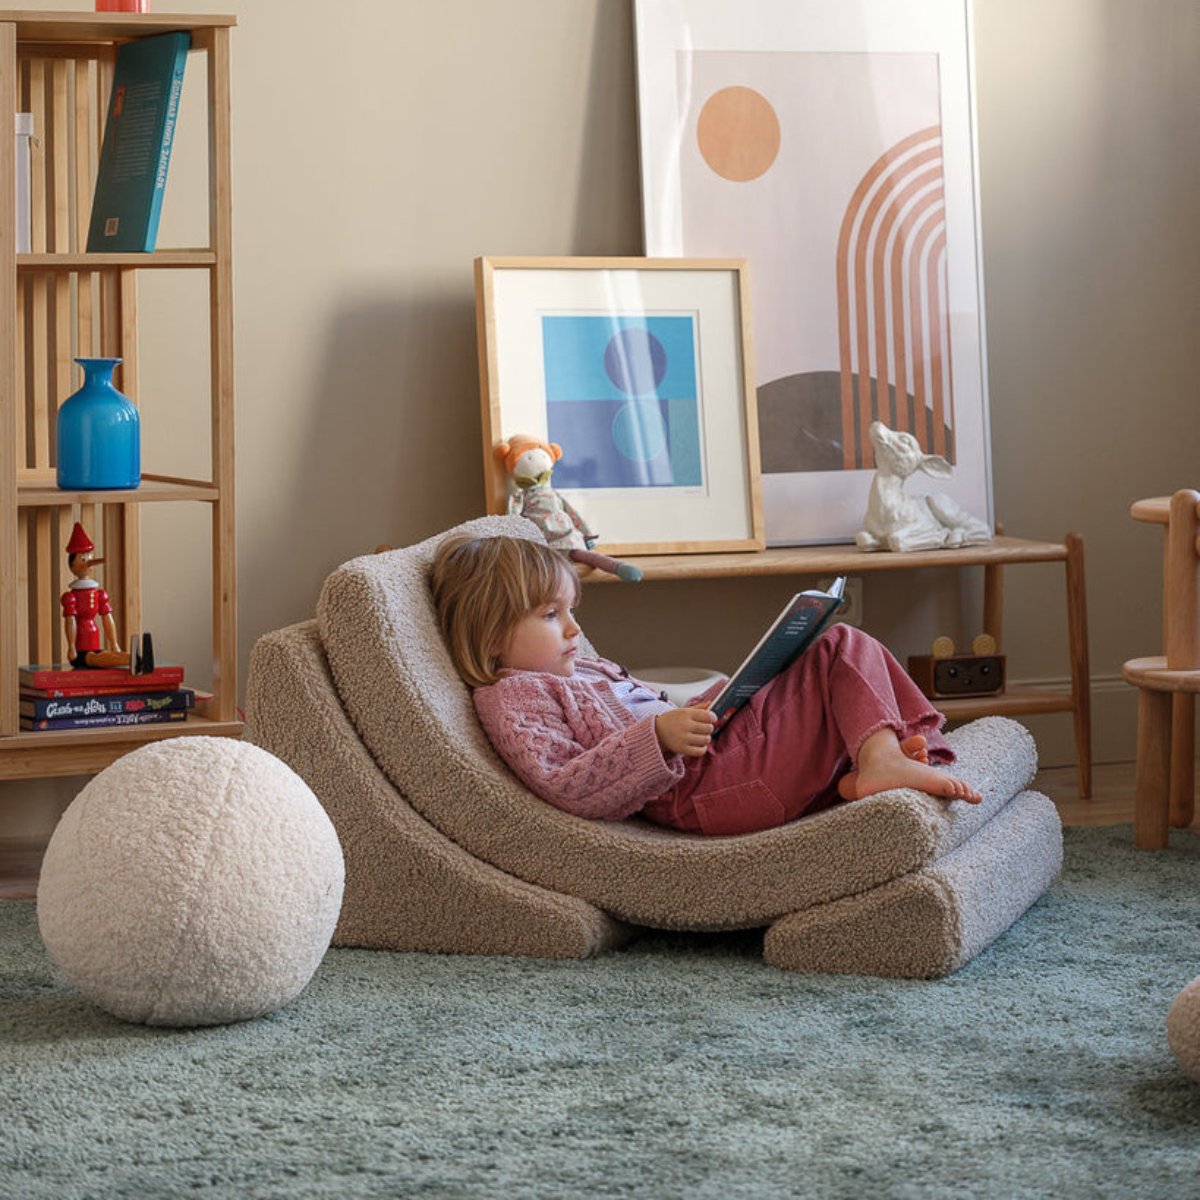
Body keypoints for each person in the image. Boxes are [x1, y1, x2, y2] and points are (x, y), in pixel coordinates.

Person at [430, 533, 981, 838]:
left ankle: (866, 763)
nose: (575, 629)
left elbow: (641, 707)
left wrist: (711, 702)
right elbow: (568, 785)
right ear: (492, 633)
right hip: (698, 791)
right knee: (842, 648)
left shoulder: (575, 669)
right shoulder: (513, 696)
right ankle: (880, 758)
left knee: (831, 646)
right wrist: (660, 738)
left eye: (571, 611)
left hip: (714, 758)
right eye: (551, 615)